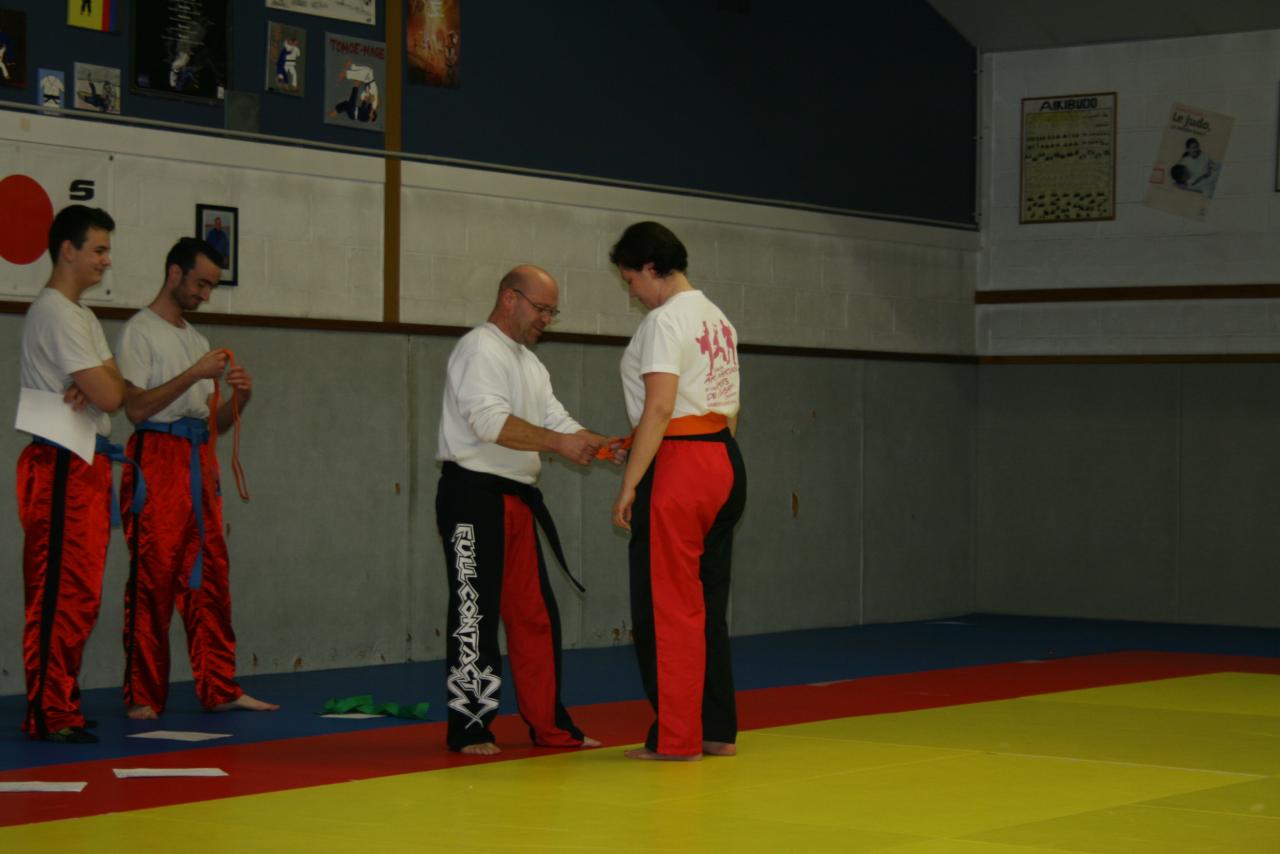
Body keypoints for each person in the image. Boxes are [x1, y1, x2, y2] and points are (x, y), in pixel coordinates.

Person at [435, 264, 620, 754]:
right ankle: (471, 728)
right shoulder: (479, 348)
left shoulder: (530, 364)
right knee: (474, 614)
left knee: (535, 616)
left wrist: (600, 443)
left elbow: (556, 420)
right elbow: (489, 423)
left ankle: (550, 725)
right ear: (510, 298)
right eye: (541, 309)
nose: (546, 320)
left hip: (515, 500)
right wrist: (561, 444)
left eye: (552, 313)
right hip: (471, 497)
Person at [114, 237, 278, 719]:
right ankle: (143, 693)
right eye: (201, 284)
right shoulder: (139, 331)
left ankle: (219, 684)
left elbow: (213, 426)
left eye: (210, 286)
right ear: (174, 274)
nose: (205, 294)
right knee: (154, 577)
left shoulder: (197, 340)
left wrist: (240, 399)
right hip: (157, 460)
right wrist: (193, 374)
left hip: (196, 460)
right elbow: (136, 409)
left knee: (210, 577)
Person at [609, 222, 746, 761]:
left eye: (630, 280)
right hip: (722, 458)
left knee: (667, 607)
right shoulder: (718, 317)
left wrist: (632, 481)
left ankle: (677, 738)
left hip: (681, 465)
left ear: (651, 267)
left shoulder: (665, 320)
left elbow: (661, 406)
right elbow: (728, 406)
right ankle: (716, 729)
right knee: (706, 603)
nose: (632, 293)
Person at [17, 205, 127, 743]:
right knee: (58, 590)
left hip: (83, 460)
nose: (106, 261)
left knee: (80, 592)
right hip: (60, 461)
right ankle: (48, 708)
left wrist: (102, 380)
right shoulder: (57, 314)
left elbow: (116, 387)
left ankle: (61, 698)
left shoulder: (80, 315)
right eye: (98, 250)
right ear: (68, 250)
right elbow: (109, 392)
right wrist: (100, 381)